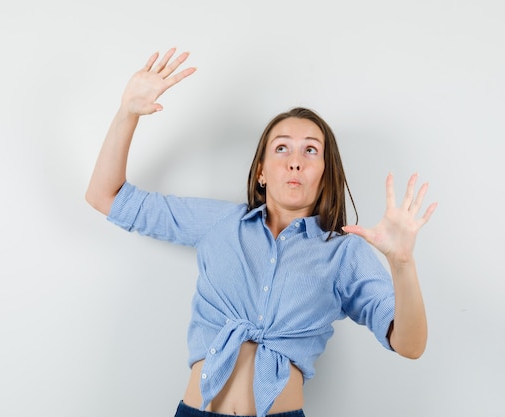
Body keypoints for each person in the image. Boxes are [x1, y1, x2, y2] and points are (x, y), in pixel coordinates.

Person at [85, 48, 437, 417]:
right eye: (281, 147)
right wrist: (127, 113)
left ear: (325, 174)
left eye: (311, 151)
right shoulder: (219, 223)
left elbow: (410, 344)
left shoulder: (343, 253)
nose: (295, 160)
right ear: (261, 172)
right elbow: (104, 196)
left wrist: (402, 263)